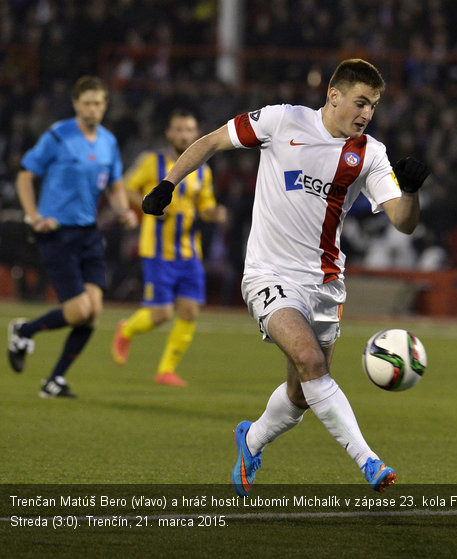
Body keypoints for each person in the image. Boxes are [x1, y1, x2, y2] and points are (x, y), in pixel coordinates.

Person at [141, 59, 429, 495]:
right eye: (361, 102)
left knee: (301, 395)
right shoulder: (281, 120)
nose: (367, 113)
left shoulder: (369, 153)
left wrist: (409, 192)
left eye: (373, 105)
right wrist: (169, 182)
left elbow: (403, 222)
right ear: (334, 96)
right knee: (311, 362)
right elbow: (213, 140)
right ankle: (369, 461)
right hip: (268, 274)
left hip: (325, 284)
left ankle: (251, 439)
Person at [8, 75, 137, 398]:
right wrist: (33, 215)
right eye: (88, 103)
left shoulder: (108, 141)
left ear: (105, 105)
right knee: (79, 310)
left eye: (99, 103)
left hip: (88, 232)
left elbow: (116, 183)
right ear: (76, 104)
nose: (93, 108)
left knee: (93, 312)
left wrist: (123, 210)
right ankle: (23, 330)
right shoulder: (58, 135)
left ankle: (54, 381)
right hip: (57, 233)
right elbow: (25, 175)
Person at [110, 109, 226, 387]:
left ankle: (165, 370)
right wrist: (147, 205)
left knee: (189, 311)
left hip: (189, 251)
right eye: (179, 129)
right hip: (158, 250)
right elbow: (127, 187)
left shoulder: (203, 171)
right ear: (169, 134)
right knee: (161, 314)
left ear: (196, 134)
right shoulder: (154, 162)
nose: (184, 134)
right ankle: (127, 329)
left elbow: (205, 207)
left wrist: (215, 214)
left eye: (189, 129)